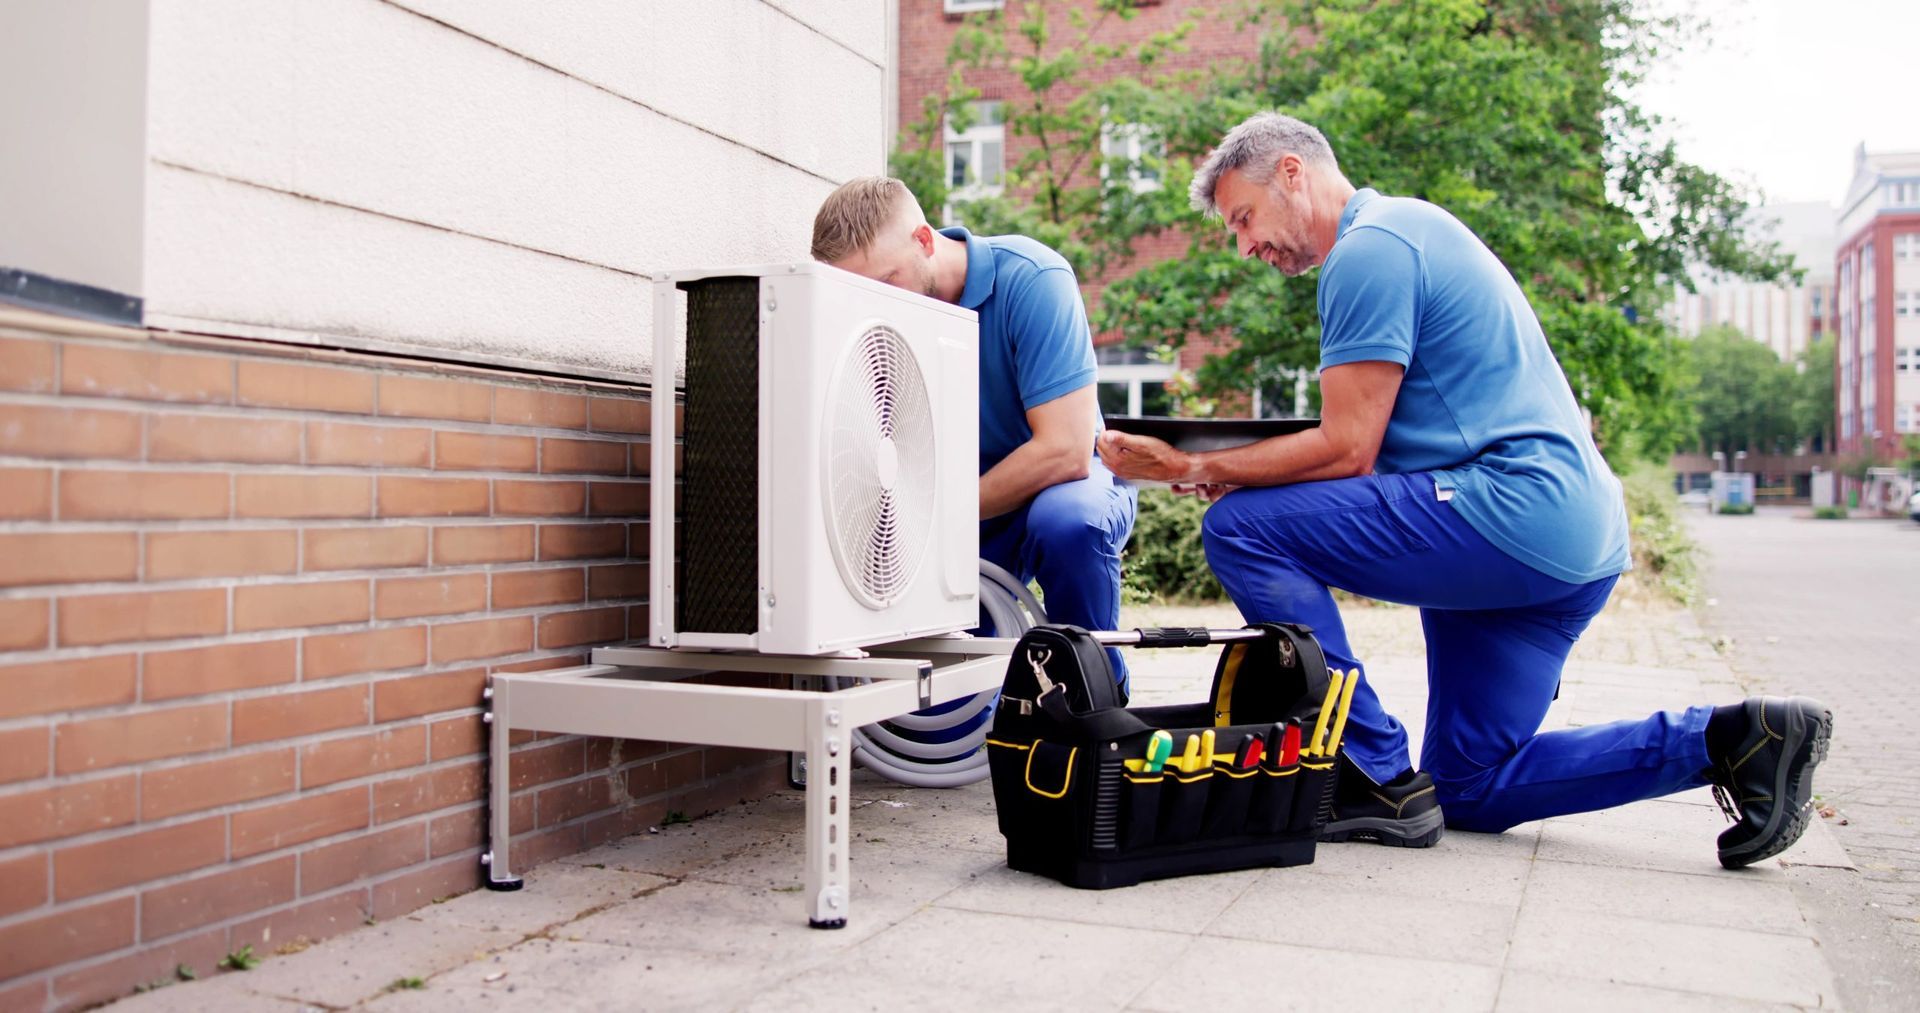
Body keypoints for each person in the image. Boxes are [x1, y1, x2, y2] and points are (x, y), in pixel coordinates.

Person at [1097, 112, 1831, 867]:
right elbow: (1366, 448)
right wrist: (1234, 467)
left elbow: (1348, 450)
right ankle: (1737, 738)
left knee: (1240, 528)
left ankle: (1371, 767)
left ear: (1292, 171)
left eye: (1244, 218)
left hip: (1510, 509)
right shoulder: (1408, 231)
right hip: (1574, 540)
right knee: (1471, 785)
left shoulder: (1368, 249)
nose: (1247, 245)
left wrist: (1194, 466)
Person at [812, 177, 1137, 689]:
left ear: (923, 240)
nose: (875, 304)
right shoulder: (871, 322)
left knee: (1069, 523)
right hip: (965, 506)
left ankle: (1096, 695)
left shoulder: (1034, 278)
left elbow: (1065, 451)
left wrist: (936, 518)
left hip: (1059, 486)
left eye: (886, 280)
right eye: (859, 291)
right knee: (942, 720)